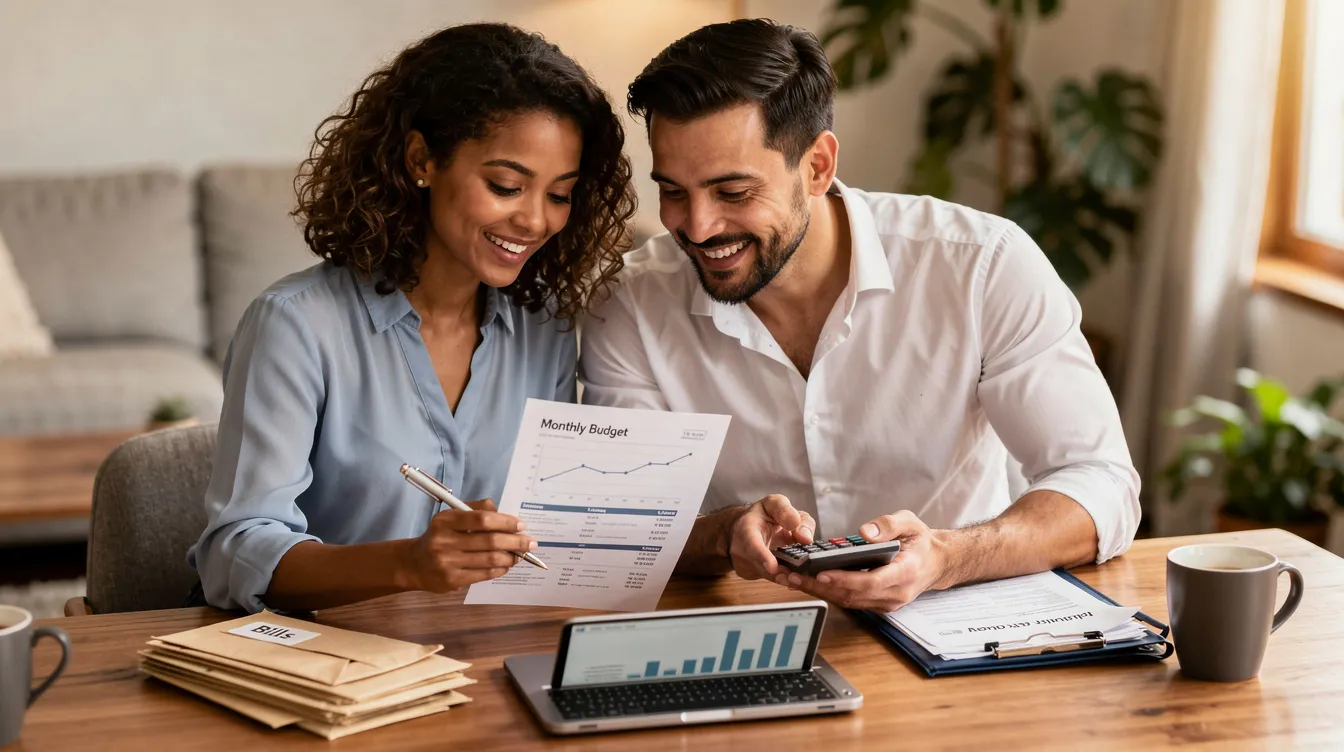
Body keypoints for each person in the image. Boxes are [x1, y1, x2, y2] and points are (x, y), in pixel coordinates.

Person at [579, 19, 1139, 613]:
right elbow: (625, 526)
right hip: (746, 638)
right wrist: (722, 535)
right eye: (673, 191)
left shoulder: (982, 267)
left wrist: (946, 557)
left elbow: (1100, 483)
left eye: (733, 192)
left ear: (818, 165)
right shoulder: (630, 304)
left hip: (960, 630)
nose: (697, 226)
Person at [189, 23, 636, 613]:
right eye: (506, 185)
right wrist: (408, 564)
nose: (534, 221)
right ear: (421, 160)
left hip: (483, 650)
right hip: (328, 661)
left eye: (559, 194)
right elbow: (234, 552)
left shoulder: (543, 324)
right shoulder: (295, 326)